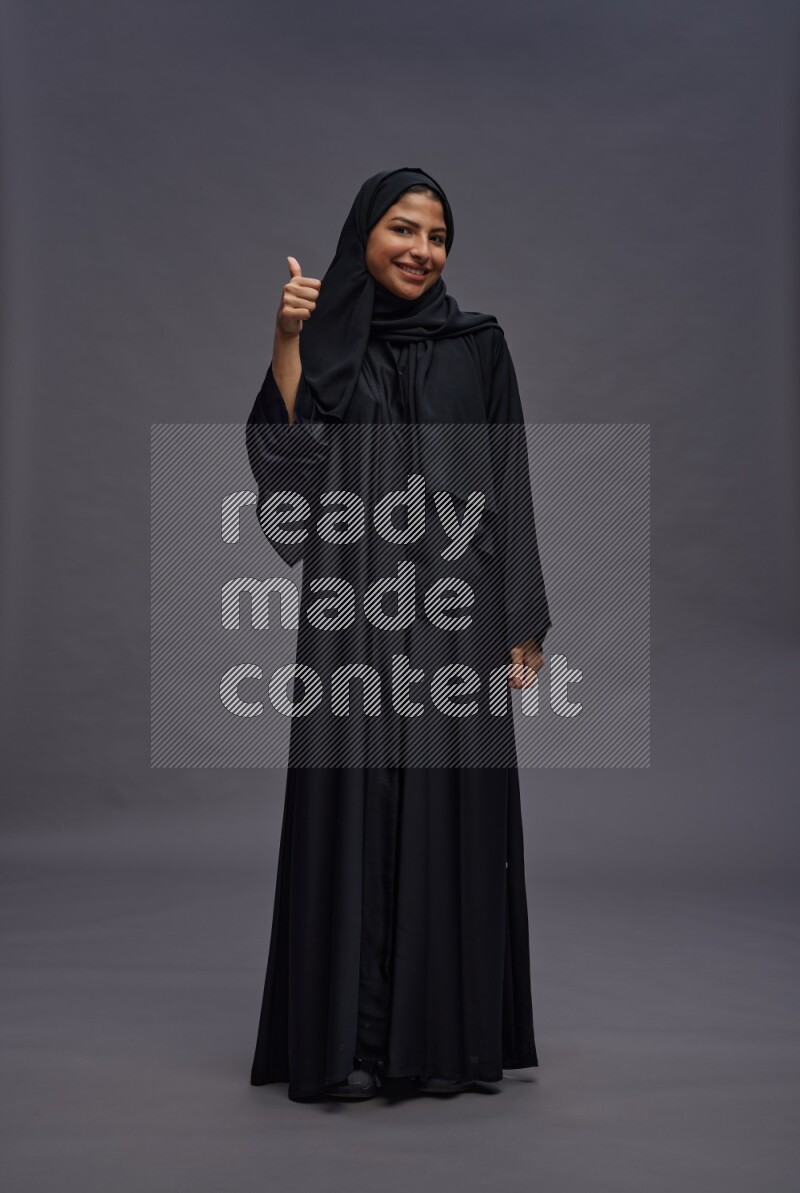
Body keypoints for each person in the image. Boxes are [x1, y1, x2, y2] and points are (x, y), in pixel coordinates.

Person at [245, 167, 552, 1102]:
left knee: (448, 809)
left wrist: (521, 619)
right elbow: (291, 491)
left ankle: (437, 1042)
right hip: (355, 610)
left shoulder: (478, 345)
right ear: (362, 235)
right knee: (356, 804)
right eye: (403, 229)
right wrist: (288, 338)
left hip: (456, 617)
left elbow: (510, 484)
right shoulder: (329, 345)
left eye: (438, 235)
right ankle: (347, 1041)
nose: (422, 250)